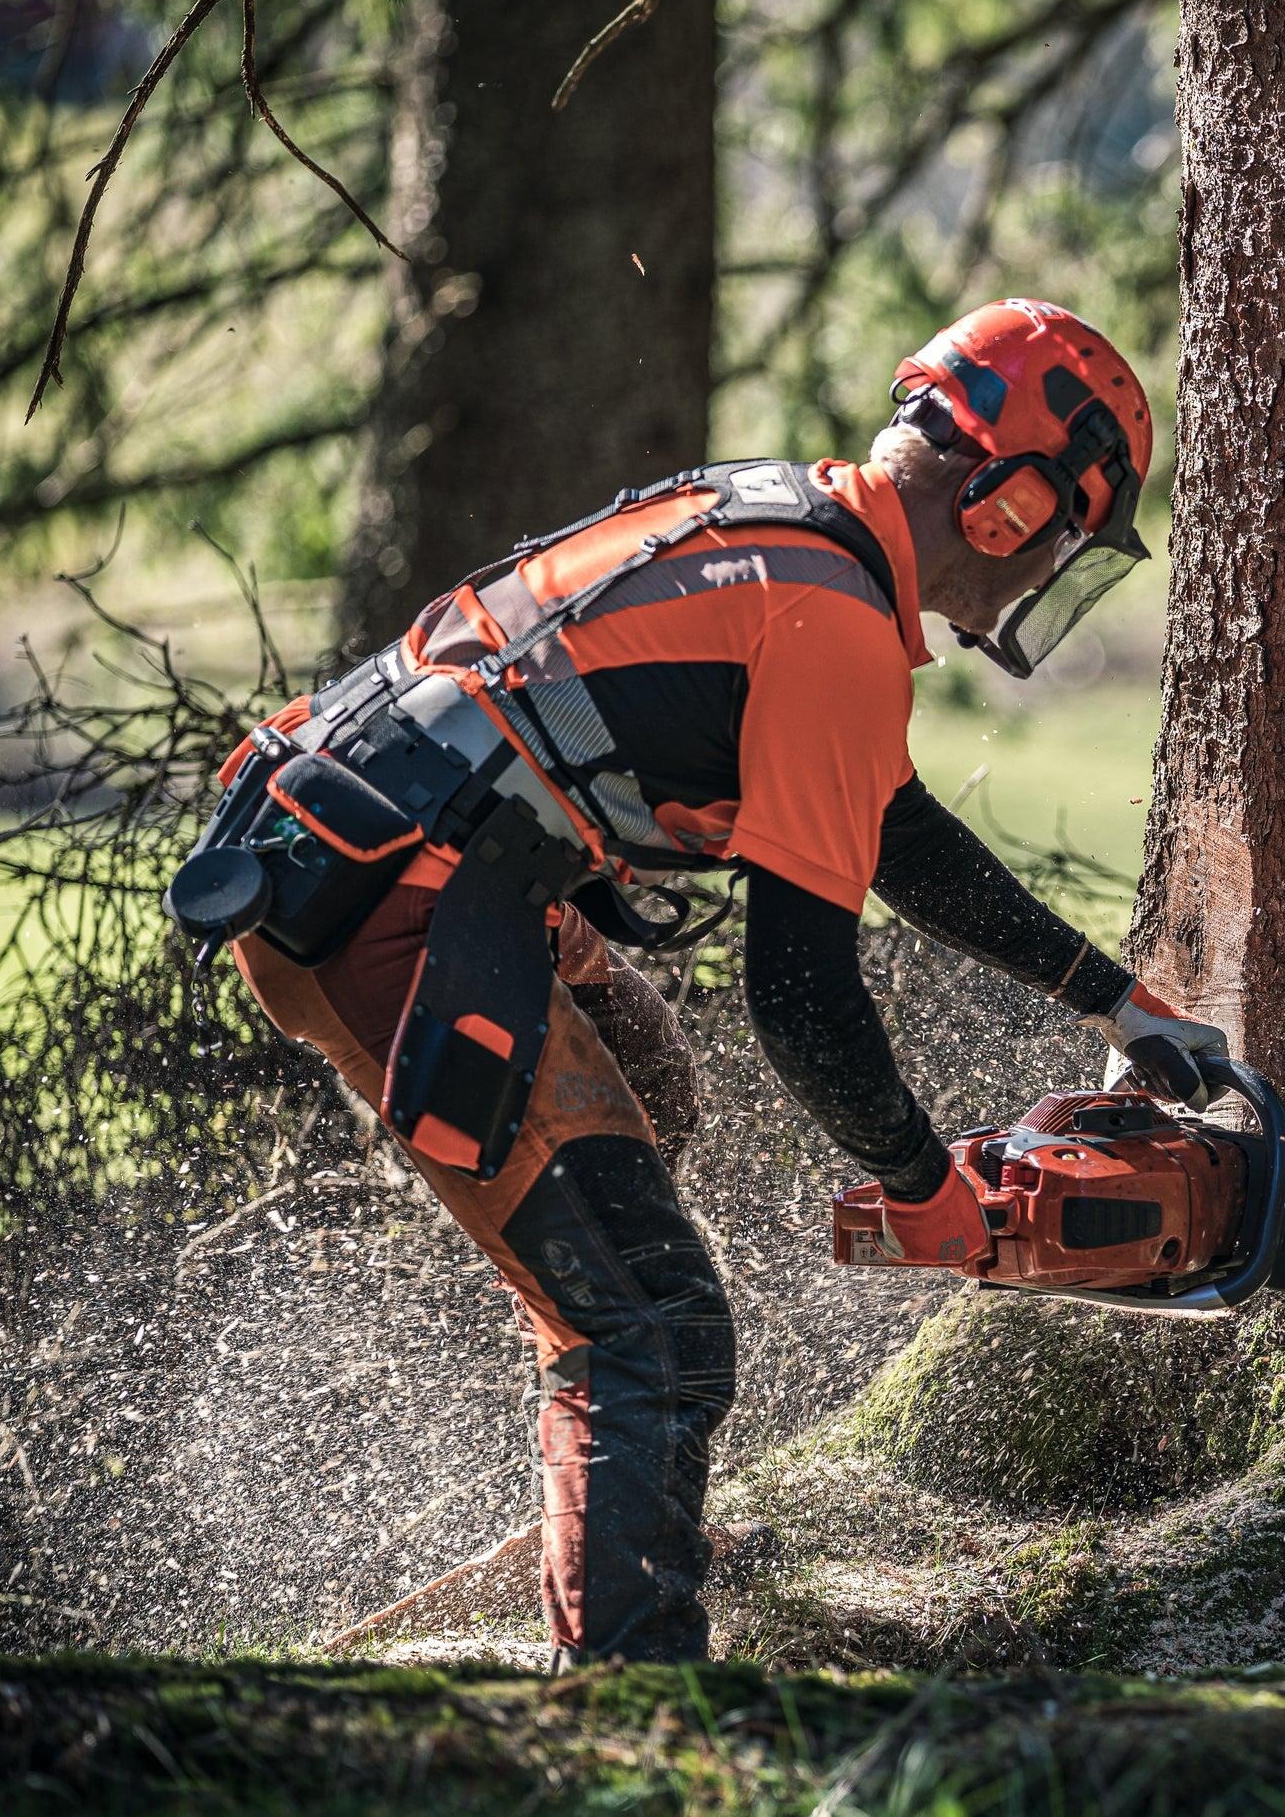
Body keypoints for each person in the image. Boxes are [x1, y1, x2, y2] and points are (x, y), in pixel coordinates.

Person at [176, 300, 1226, 1666]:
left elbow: (898, 830)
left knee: (651, 1092)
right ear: (1008, 506)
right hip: (402, 910)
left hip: (363, 847)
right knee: (660, 1329)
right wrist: (926, 1193)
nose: (1041, 582)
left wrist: (1117, 1004)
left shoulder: (796, 528)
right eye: (1061, 547)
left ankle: (606, 1484)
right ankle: (636, 1698)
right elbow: (802, 998)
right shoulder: (835, 628)